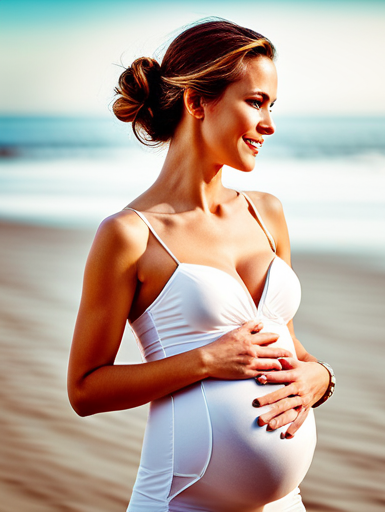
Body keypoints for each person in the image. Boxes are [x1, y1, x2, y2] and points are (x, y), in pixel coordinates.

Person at [67, 18, 336, 512]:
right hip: (181, 501)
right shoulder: (129, 235)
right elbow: (85, 389)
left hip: (285, 503)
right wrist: (205, 361)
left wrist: (319, 375)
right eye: (256, 102)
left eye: (272, 106)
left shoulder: (267, 212)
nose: (270, 124)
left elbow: (287, 344)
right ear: (197, 102)